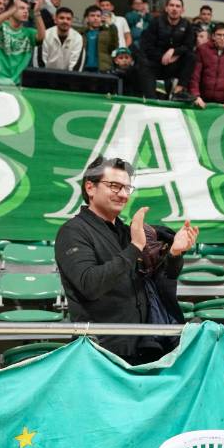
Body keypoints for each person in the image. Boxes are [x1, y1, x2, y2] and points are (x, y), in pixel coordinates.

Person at [54, 156, 198, 364]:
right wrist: (135, 247)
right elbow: (89, 285)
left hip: (144, 348)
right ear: (90, 187)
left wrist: (174, 254)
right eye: (114, 186)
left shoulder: (127, 232)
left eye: (127, 188)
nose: (123, 194)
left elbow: (157, 282)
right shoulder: (73, 232)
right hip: (98, 353)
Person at [140, 0, 196, 98]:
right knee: (143, 63)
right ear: (166, 8)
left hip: (173, 63)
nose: (174, 8)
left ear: (182, 10)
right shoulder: (156, 22)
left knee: (191, 57)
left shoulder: (187, 25)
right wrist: (163, 57)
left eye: (178, 6)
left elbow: (189, 46)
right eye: (171, 5)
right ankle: (149, 96)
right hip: (155, 63)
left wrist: (173, 52)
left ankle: (179, 89)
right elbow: (147, 46)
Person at [190, 23, 224, 110]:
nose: (222, 38)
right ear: (213, 36)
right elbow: (195, 76)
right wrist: (195, 96)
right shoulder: (202, 50)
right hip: (201, 101)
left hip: (223, 104)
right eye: (219, 35)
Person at [40, 7, 83, 71]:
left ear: (71, 21)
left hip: (69, 75)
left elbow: (75, 65)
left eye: (68, 19)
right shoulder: (46, 35)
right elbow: (40, 62)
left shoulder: (77, 38)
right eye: (61, 18)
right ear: (55, 20)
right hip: (45, 74)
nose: (65, 21)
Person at [79, 5, 119, 73]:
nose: (95, 18)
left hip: (103, 69)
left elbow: (114, 46)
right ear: (87, 18)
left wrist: (111, 25)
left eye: (98, 16)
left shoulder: (107, 32)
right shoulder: (80, 33)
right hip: (83, 69)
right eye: (92, 15)